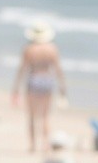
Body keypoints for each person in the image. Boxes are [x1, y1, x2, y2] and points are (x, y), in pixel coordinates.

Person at [12, 21, 67, 152]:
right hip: (47, 79)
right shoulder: (52, 49)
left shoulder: (29, 49)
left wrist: (16, 88)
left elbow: (22, 69)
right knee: (45, 116)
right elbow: (58, 70)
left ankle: (32, 145)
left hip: (34, 79)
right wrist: (62, 88)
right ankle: (45, 144)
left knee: (32, 115)